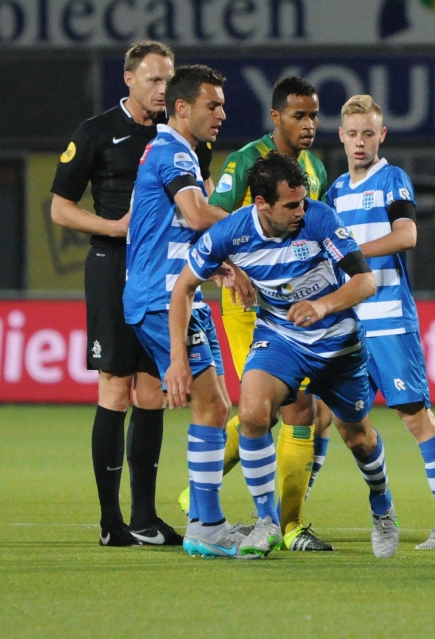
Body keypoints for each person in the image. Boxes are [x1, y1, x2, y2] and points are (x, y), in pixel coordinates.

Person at [167, 152, 401, 560]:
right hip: (280, 337)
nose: (300, 210)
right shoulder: (231, 233)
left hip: (337, 344)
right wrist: (177, 357)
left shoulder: (320, 219)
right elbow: (183, 287)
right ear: (261, 204)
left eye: (302, 201)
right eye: (290, 205)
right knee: (254, 415)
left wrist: (324, 306)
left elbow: (365, 281)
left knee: (358, 439)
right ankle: (267, 522)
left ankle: (382, 505)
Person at [49, 41, 211, 547]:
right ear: (128, 79)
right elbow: (59, 208)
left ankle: (144, 516)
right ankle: (110, 523)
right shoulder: (96, 132)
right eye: (153, 80)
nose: (162, 89)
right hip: (114, 267)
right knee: (115, 389)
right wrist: (118, 228)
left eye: (168, 81)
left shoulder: (184, 140)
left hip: (164, 275)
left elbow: (194, 208)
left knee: (153, 394)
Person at [176, 76, 333, 551]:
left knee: (305, 413)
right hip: (249, 307)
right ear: (276, 117)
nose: (309, 125)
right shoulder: (245, 162)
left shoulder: (316, 168)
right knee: (288, 408)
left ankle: (198, 494)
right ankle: (287, 527)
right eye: (299, 116)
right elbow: (210, 218)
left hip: (296, 306)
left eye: (314, 115)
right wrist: (232, 266)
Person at [326, 95, 435, 550]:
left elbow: (407, 235)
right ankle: (381, 510)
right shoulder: (334, 192)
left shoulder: (392, 179)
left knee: (415, 417)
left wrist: (351, 252)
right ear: (342, 137)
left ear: (381, 135)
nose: (360, 142)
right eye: (352, 134)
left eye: (368, 133)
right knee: (341, 424)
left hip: (388, 317)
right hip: (348, 323)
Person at [123, 64, 247, 555]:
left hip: (178, 292)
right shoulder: (172, 151)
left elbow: (178, 229)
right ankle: (206, 528)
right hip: (161, 296)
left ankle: (204, 520)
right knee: (212, 405)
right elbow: (197, 215)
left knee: (215, 405)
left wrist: (218, 267)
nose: (221, 113)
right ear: (181, 107)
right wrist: (255, 226)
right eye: (211, 105)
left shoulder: (181, 154)